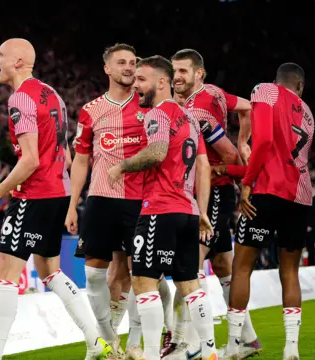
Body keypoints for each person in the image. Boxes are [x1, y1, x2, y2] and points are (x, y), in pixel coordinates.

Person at [0, 38, 113, 360]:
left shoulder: (20, 99)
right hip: (58, 193)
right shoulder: (52, 94)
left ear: (19, 61)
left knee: (6, 276)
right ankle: (95, 341)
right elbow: (63, 154)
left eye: (0, 55)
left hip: (33, 195)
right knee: (50, 270)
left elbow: (31, 159)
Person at [106, 55, 216, 360]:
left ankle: (151, 354)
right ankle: (210, 352)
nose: (135, 85)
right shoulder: (190, 118)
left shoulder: (158, 114)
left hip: (159, 209)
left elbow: (156, 152)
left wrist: (122, 167)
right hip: (187, 210)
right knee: (190, 285)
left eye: (142, 79)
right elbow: (203, 165)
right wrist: (202, 210)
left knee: (143, 282)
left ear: (162, 82)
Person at [224, 63, 315, 360]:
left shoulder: (265, 91)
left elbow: (262, 142)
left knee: (242, 266)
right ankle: (292, 349)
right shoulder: (308, 113)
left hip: (266, 191)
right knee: (290, 271)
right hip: (300, 196)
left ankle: (234, 346)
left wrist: (247, 182)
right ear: (299, 85)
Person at [167, 48, 253, 359]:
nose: (176, 76)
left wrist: (235, 156)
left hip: (212, 190)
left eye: (183, 71)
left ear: (198, 73)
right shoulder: (215, 92)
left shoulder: (198, 110)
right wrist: (245, 138)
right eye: (174, 71)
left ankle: (189, 343)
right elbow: (248, 107)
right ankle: (249, 338)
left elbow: (230, 156)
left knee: (188, 265)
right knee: (222, 265)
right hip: (207, 190)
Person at [65, 43, 145, 357]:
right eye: (122, 62)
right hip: (100, 199)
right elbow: (81, 160)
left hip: (141, 201)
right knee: (94, 273)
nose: (129, 67)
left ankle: (136, 343)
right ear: (107, 69)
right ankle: (109, 339)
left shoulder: (149, 107)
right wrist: (73, 203)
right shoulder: (91, 110)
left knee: (142, 275)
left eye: (133, 62)